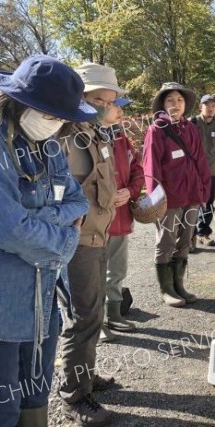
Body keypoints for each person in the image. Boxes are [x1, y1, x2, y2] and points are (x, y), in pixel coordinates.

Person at [0, 55, 91, 427]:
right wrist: (67, 241)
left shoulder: (49, 147)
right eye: (50, 115)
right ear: (22, 104)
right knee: (5, 404)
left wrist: (44, 218)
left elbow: (78, 200)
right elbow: (10, 229)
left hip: (43, 299)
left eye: (60, 118)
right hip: (5, 305)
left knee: (37, 391)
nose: (55, 124)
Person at [57, 62, 125, 426]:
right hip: (78, 241)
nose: (107, 105)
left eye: (110, 99)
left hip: (100, 235)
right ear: (80, 97)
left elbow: (96, 181)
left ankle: (85, 376)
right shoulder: (64, 136)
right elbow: (55, 191)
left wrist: (111, 197)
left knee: (94, 314)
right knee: (82, 318)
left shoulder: (96, 134)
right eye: (99, 98)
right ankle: (74, 396)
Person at [143, 82, 211, 307]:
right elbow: (151, 168)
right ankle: (167, 289)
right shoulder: (157, 130)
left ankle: (179, 285)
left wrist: (203, 192)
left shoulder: (191, 128)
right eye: (170, 100)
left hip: (191, 196)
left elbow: (201, 162)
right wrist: (156, 201)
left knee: (185, 240)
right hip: (169, 200)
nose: (176, 104)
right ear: (163, 104)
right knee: (166, 241)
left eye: (180, 100)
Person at [101, 97, 143, 335]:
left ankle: (113, 314)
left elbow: (138, 170)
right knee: (91, 275)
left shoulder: (121, 138)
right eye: (116, 105)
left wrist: (130, 191)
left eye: (121, 106)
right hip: (92, 223)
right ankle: (94, 324)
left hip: (120, 218)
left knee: (117, 269)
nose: (120, 111)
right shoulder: (81, 137)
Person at [190, 94, 215, 251]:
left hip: (211, 171)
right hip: (192, 171)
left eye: (213, 106)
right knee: (191, 203)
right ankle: (189, 234)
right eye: (207, 105)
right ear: (200, 107)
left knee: (208, 204)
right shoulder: (192, 123)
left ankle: (203, 233)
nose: (210, 108)